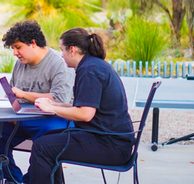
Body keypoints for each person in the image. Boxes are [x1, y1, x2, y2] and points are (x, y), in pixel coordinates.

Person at [29, 28, 135, 183]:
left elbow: (85, 114)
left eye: (62, 50)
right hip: (109, 139)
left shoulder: (89, 70)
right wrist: (57, 105)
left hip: (110, 145)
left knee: (42, 147)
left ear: (72, 50)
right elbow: (85, 107)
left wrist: (51, 109)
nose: (61, 55)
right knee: (45, 138)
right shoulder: (93, 65)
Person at [0, 20, 74, 184]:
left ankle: (30, 181)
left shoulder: (58, 63)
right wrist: (10, 102)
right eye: (13, 49)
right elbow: (15, 93)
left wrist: (24, 94)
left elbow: (61, 99)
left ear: (33, 43)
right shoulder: (20, 65)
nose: (15, 53)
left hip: (54, 119)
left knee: (47, 138)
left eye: (18, 47)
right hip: (24, 118)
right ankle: (12, 179)